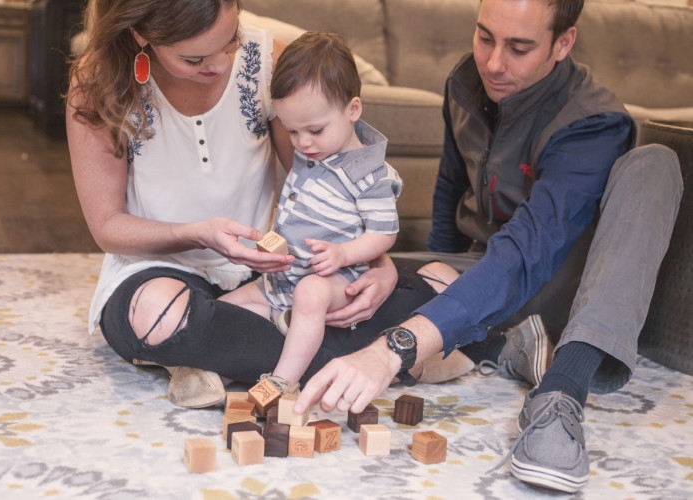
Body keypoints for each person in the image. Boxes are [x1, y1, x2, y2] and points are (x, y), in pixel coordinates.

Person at [294, 0, 682, 494]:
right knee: (328, 287)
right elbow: (450, 193)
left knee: (655, 162)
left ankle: (562, 389)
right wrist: (413, 278)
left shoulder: (592, 122)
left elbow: (524, 256)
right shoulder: (466, 82)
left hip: (556, 280)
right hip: (481, 266)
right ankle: (503, 344)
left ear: (563, 43)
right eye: (485, 38)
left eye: (519, 48)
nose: (494, 63)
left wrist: (400, 345)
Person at [65, 0, 457, 411]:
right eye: (195, 58)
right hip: (159, 272)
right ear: (140, 34)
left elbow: (328, 189)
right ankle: (385, 356)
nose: (220, 64)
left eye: (231, 40)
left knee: (442, 281)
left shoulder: (269, 61)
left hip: (268, 271)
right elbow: (108, 225)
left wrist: (380, 266)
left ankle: (216, 359)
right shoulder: (96, 82)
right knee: (155, 314)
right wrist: (197, 233)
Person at [219, 32, 404, 394]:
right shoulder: (313, 150)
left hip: (335, 278)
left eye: (315, 130)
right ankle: (234, 348)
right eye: (292, 131)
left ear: (353, 110)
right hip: (284, 277)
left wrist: (344, 254)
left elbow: (385, 234)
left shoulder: (371, 175)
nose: (302, 143)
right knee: (225, 307)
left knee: (310, 294)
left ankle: (282, 381)